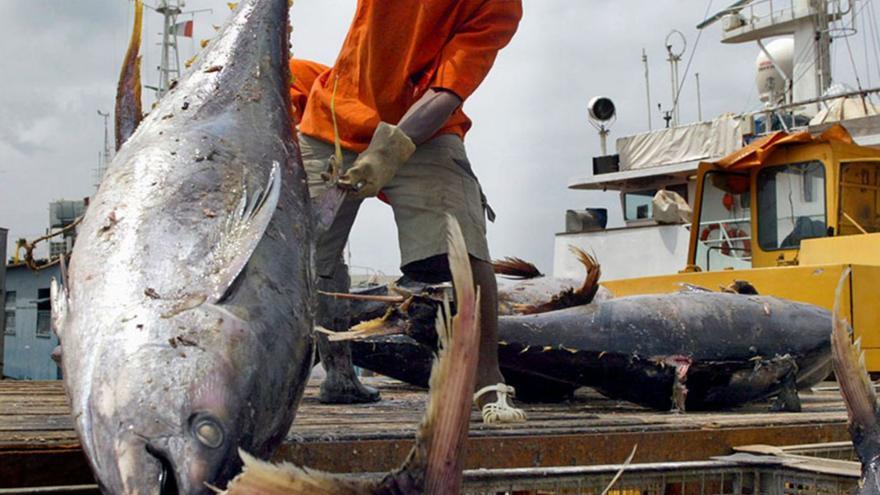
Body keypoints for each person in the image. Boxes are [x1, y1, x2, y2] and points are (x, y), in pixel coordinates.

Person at [290, 0, 526, 424]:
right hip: (335, 117)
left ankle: (487, 378)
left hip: (427, 125)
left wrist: (392, 149)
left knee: (461, 240)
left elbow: (448, 89)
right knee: (304, 255)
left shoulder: (499, 6)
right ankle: (339, 375)